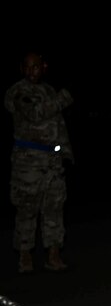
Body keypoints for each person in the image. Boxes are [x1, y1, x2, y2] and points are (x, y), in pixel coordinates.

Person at [4, 51, 74, 274]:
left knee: (54, 208)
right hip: (28, 162)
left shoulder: (48, 91)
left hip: (52, 161)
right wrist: (62, 99)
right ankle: (25, 257)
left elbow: (57, 125)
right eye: (27, 66)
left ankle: (53, 255)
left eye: (36, 67)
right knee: (27, 208)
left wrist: (65, 151)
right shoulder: (18, 91)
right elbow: (35, 114)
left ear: (43, 67)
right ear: (22, 68)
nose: (31, 71)